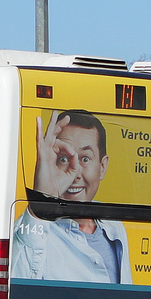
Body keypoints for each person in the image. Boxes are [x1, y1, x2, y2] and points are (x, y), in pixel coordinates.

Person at [10, 109, 131, 284]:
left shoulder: (114, 225)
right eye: (64, 159)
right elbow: (16, 286)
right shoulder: (32, 227)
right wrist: (42, 203)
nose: (75, 173)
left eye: (85, 159)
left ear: (102, 167)